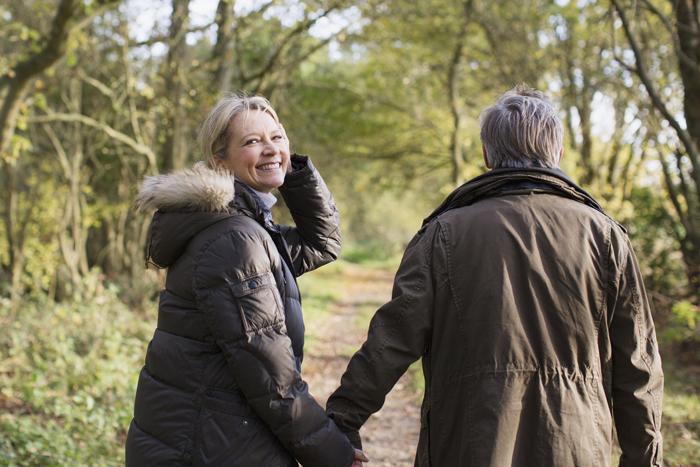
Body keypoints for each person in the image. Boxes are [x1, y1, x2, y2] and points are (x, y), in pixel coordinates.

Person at [326, 85, 664, 466]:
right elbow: (639, 367)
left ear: (487, 154)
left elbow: (391, 340)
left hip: (470, 447)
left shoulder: (444, 234)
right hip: (577, 447)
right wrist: (644, 459)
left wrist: (341, 422)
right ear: (558, 153)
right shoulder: (605, 238)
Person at [126, 94, 367, 467]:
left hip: (213, 436)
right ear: (219, 160)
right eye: (252, 141)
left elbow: (323, 243)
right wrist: (332, 452)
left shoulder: (245, 225)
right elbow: (270, 376)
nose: (270, 148)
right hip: (212, 445)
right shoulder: (235, 240)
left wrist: (291, 168)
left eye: (278, 137)